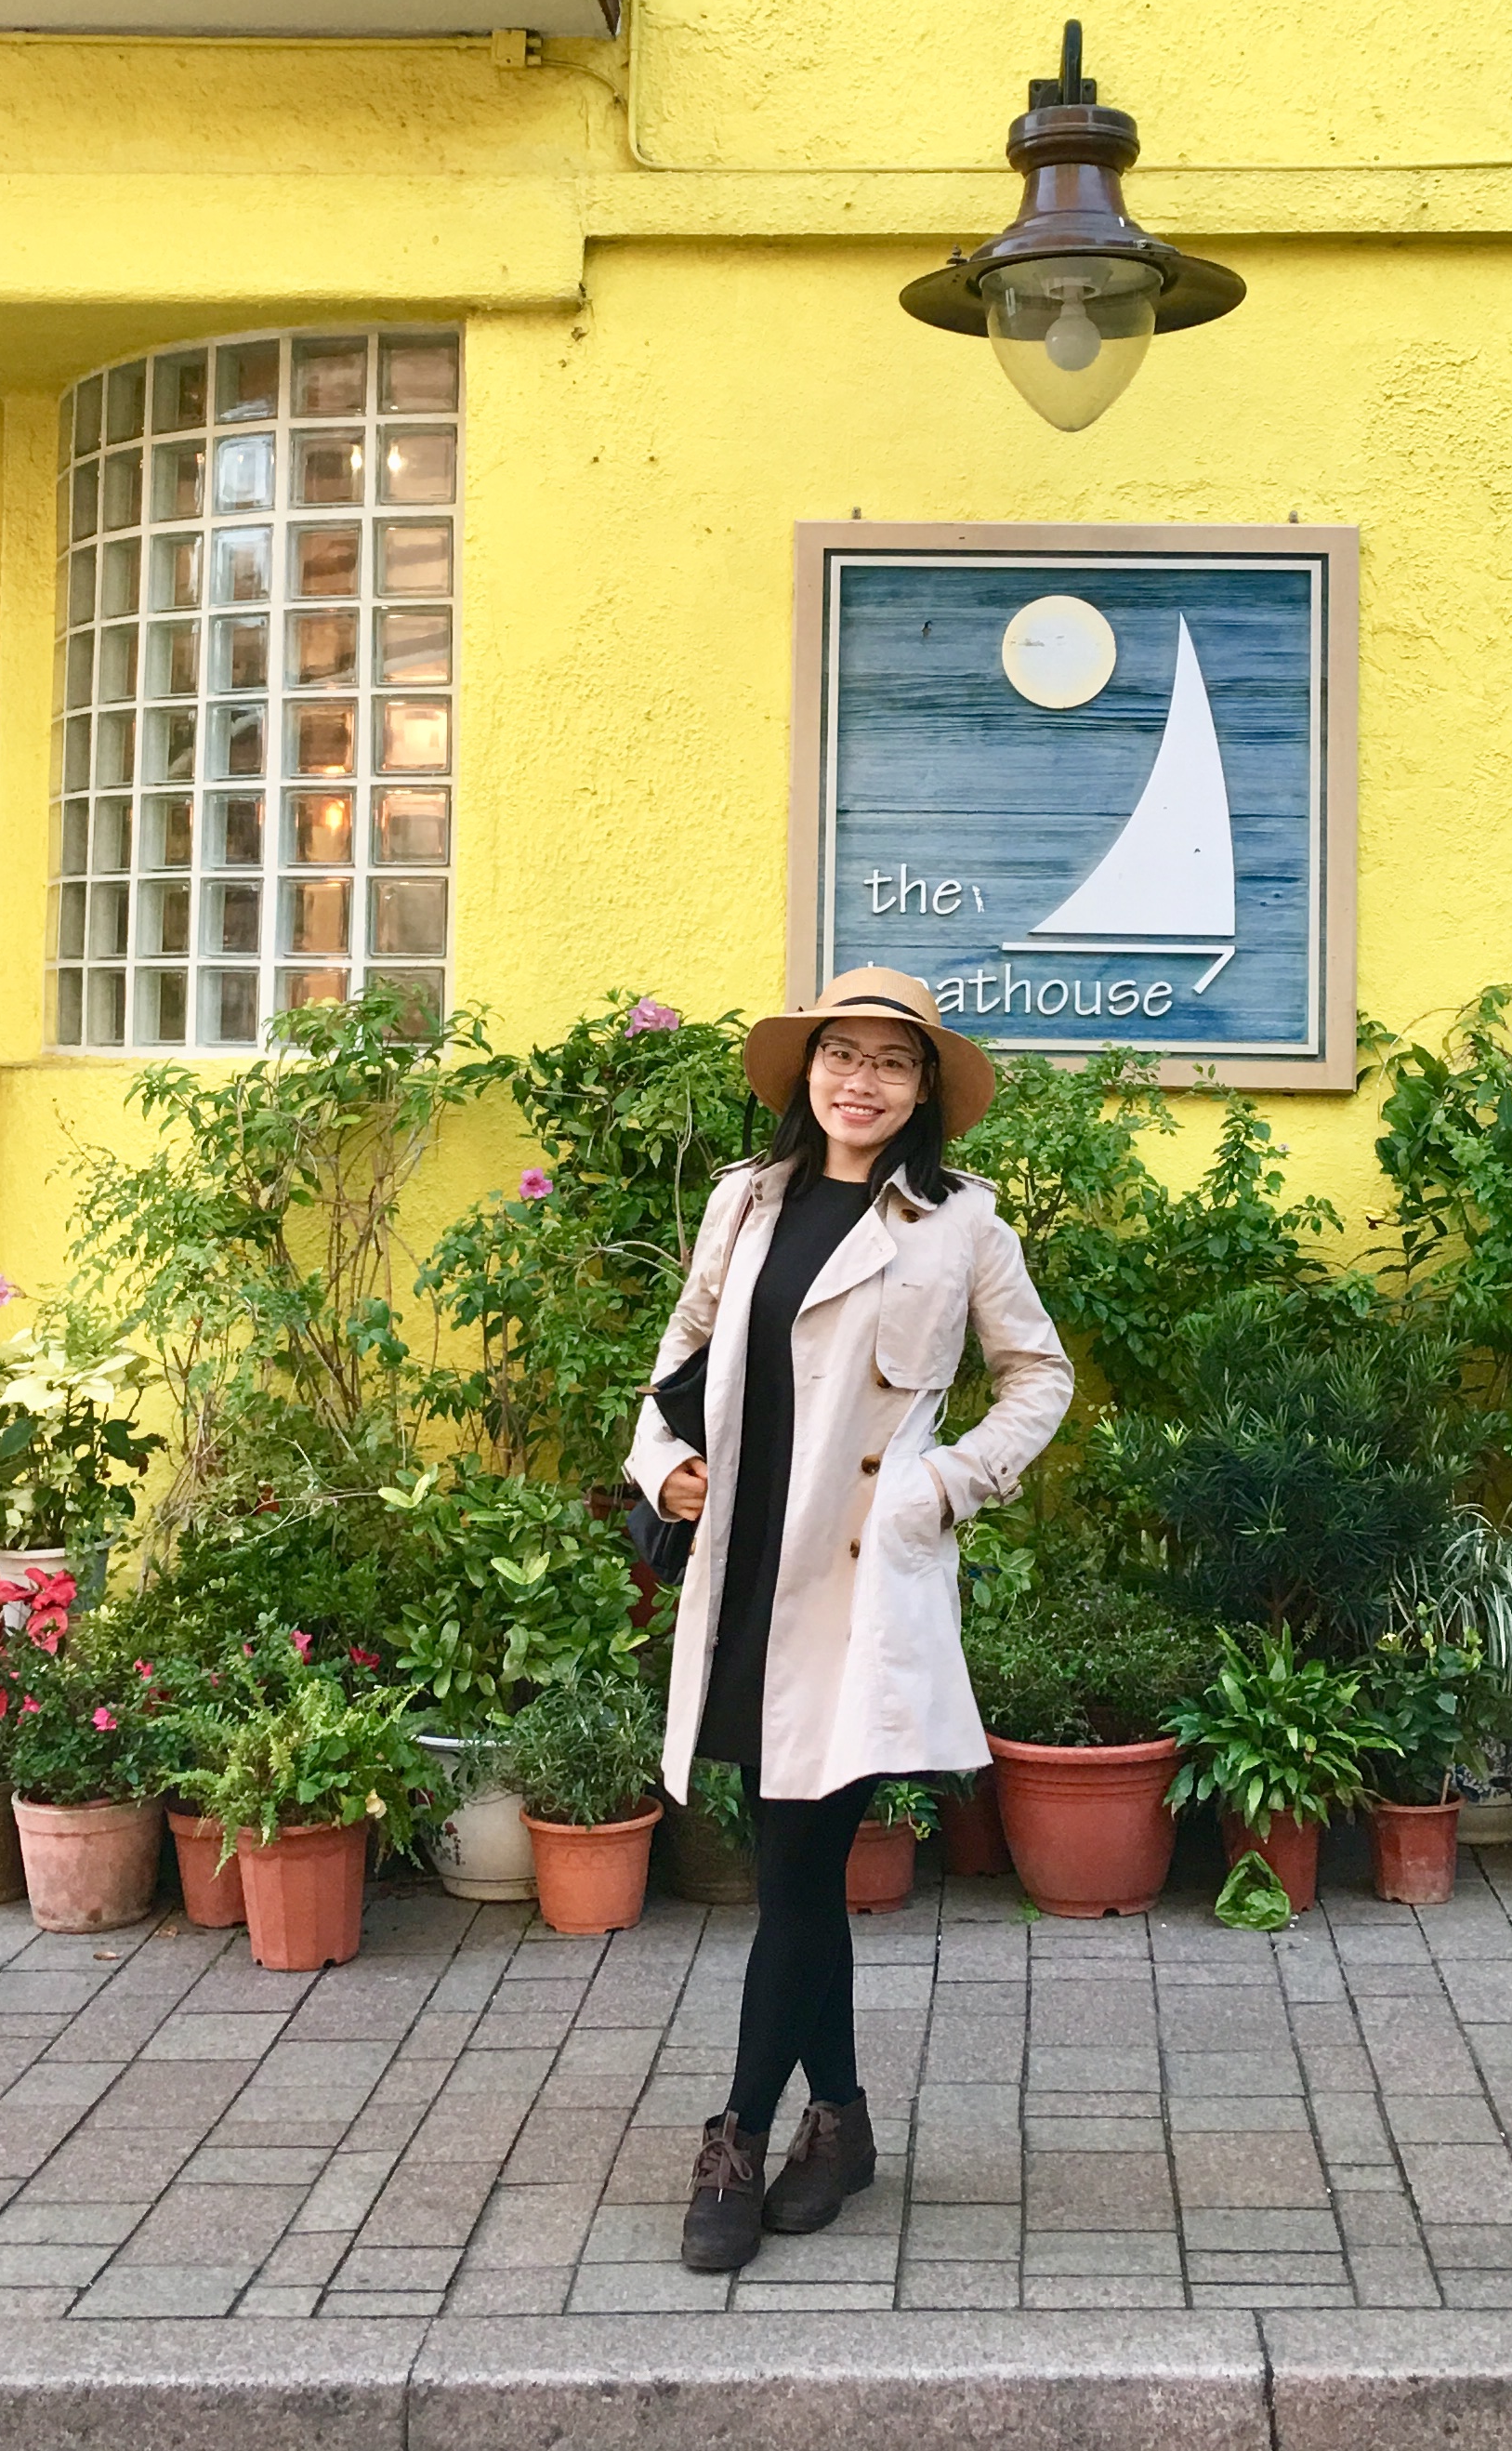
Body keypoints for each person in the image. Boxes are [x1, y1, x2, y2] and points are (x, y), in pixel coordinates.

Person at [625, 967, 1073, 2273]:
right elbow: (679, 1357)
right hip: (743, 1569)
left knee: (798, 1864)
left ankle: (736, 2137)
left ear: (924, 1087)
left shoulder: (960, 1223)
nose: (861, 1080)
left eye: (891, 1060)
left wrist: (945, 1483)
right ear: (807, 1069)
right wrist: (664, 1465)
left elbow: (1038, 1376)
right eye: (841, 1054)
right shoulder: (745, 1200)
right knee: (797, 1873)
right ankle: (844, 2122)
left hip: (860, 1579)